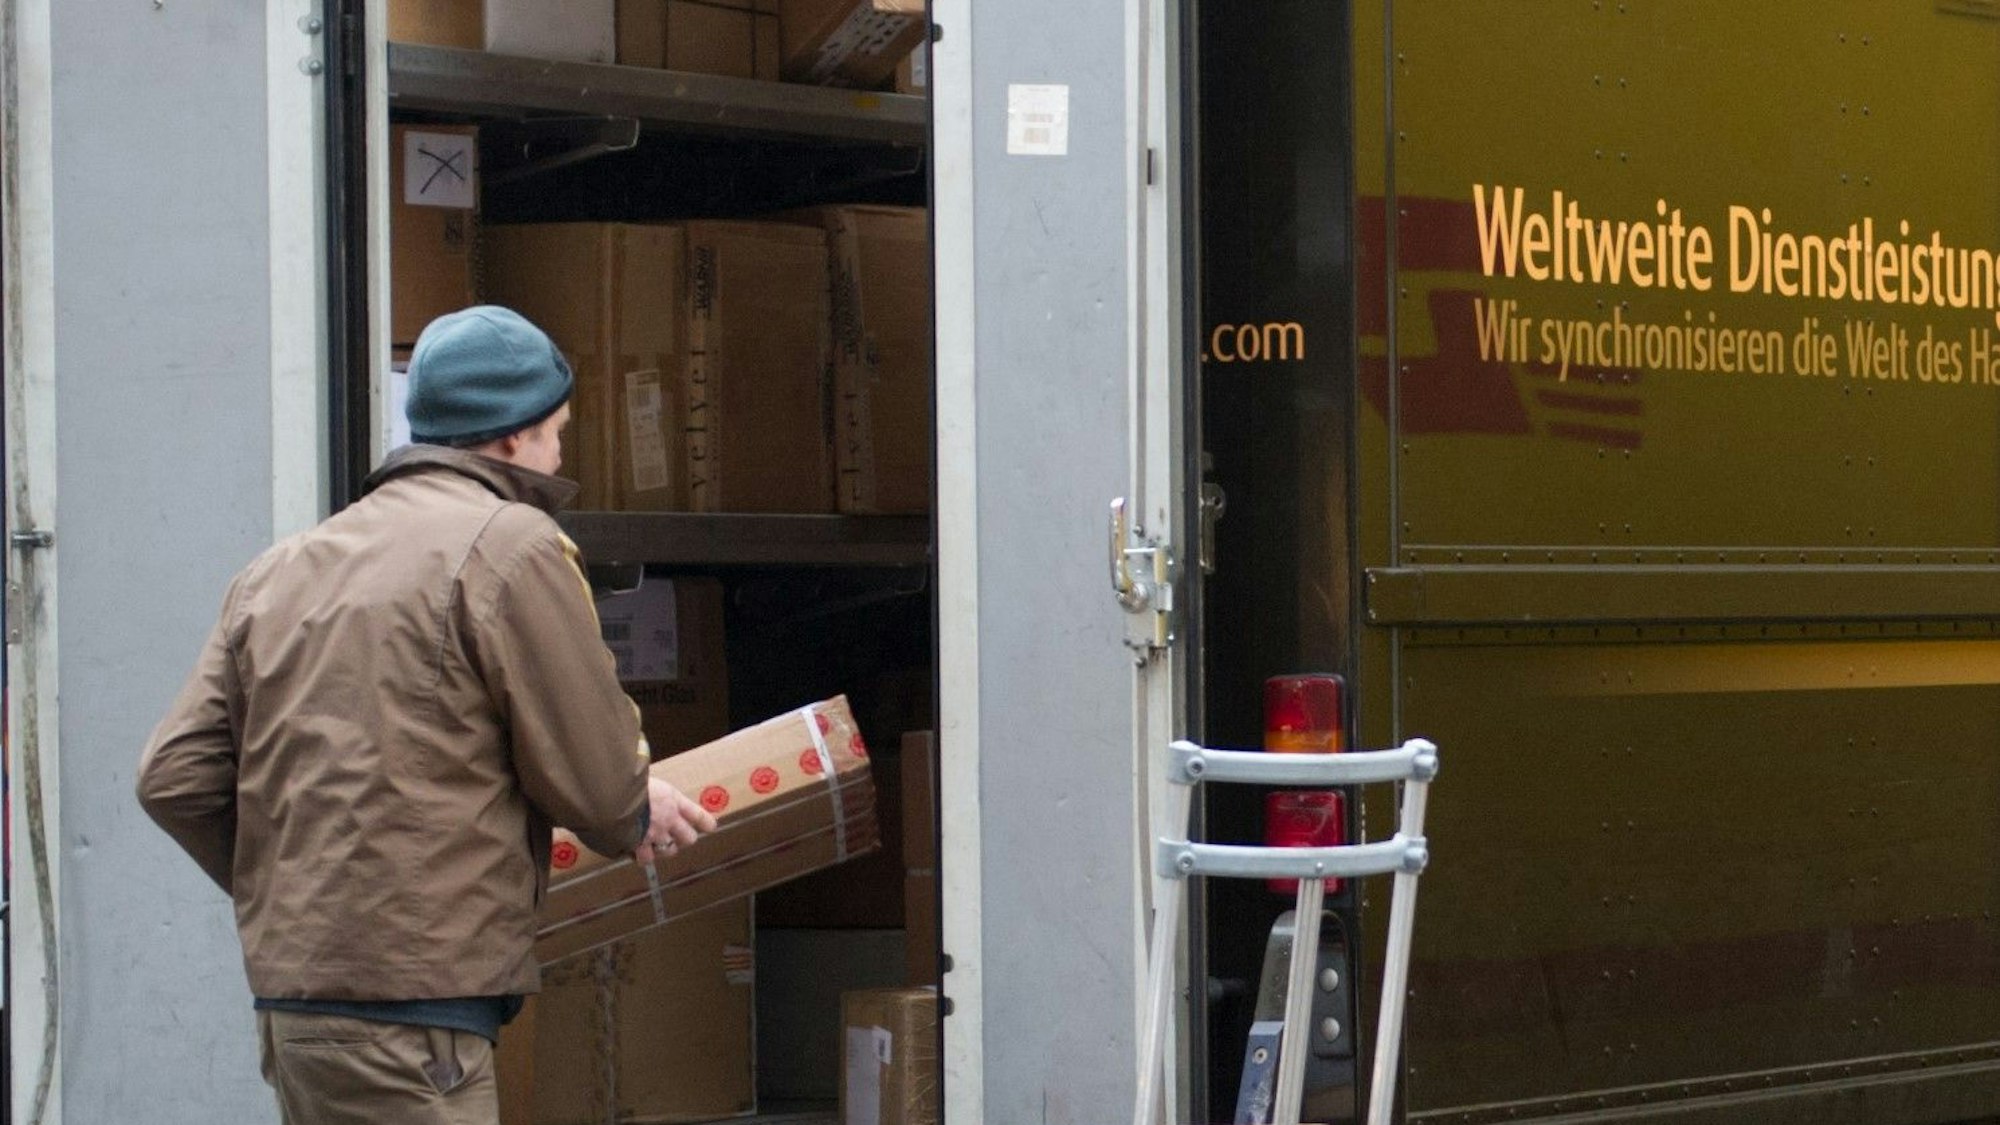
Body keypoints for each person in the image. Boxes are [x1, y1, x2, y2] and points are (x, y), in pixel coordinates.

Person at [136, 305, 716, 1125]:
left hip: (297, 1016)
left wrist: (303, 889)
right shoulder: (512, 545)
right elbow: (598, 788)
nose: (559, 455)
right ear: (514, 438)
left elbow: (172, 779)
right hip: (418, 1026)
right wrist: (635, 802)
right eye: (557, 433)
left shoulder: (280, 570)